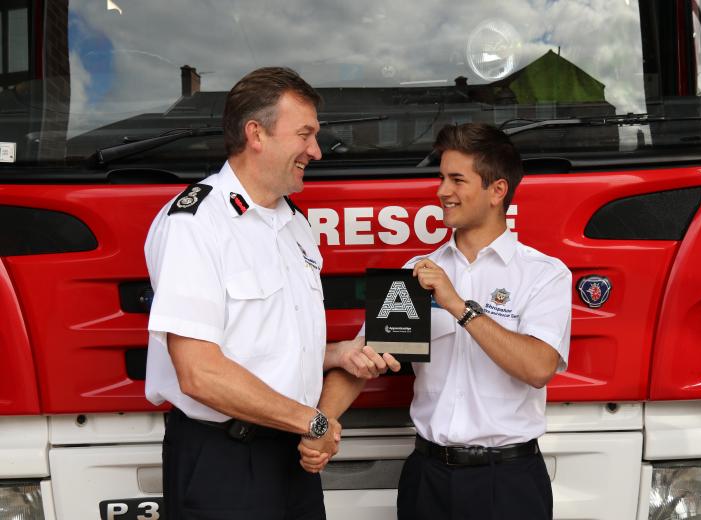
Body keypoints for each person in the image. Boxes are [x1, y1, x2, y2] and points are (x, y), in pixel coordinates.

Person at [144, 67, 396, 520]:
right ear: (256, 134)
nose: (315, 151)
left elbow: (264, 344)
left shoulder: (293, 225)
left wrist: (338, 354)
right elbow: (200, 372)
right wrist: (315, 422)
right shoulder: (196, 223)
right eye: (305, 134)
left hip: (293, 454)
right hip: (226, 462)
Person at [302, 123, 572, 518]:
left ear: (497, 191)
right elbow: (361, 362)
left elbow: (538, 367)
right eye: (441, 177)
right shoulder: (416, 271)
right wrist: (319, 427)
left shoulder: (543, 273)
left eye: (457, 179)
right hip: (428, 480)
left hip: (508, 482)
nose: (442, 191)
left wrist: (458, 305)